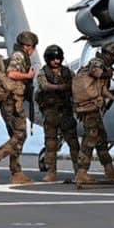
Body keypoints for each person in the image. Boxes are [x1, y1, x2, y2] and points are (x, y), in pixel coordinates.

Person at [0, 30, 38, 184]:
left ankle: (17, 173)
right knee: (20, 135)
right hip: (12, 102)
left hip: (11, 101)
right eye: (33, 47)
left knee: (17, 136)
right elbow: (12, 73)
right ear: (28, 46)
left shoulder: (20, 55)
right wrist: (28, 76)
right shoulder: (19, 56)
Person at [73, 42, 114, 184]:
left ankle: (109, 169)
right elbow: (95, 72)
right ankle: (82, 172)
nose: (113, 59)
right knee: (90, 137)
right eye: (113, 56)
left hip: (93, 106)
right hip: (89, 107)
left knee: (101, 138)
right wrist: (107, 73)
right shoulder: (97, 63)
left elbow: (102, 90)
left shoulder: (103, 67)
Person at [36, 44, 80, 182]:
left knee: (74, 143)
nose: (56, 61)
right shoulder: (43, 73)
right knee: (51, 145)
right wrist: (61, 87)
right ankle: (51, 172)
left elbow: (76, 84)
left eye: (58, 58)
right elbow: (43, 85)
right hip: (51, 113)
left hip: (65, 112)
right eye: (53, 58)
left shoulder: (68, 73)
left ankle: (79, 172)